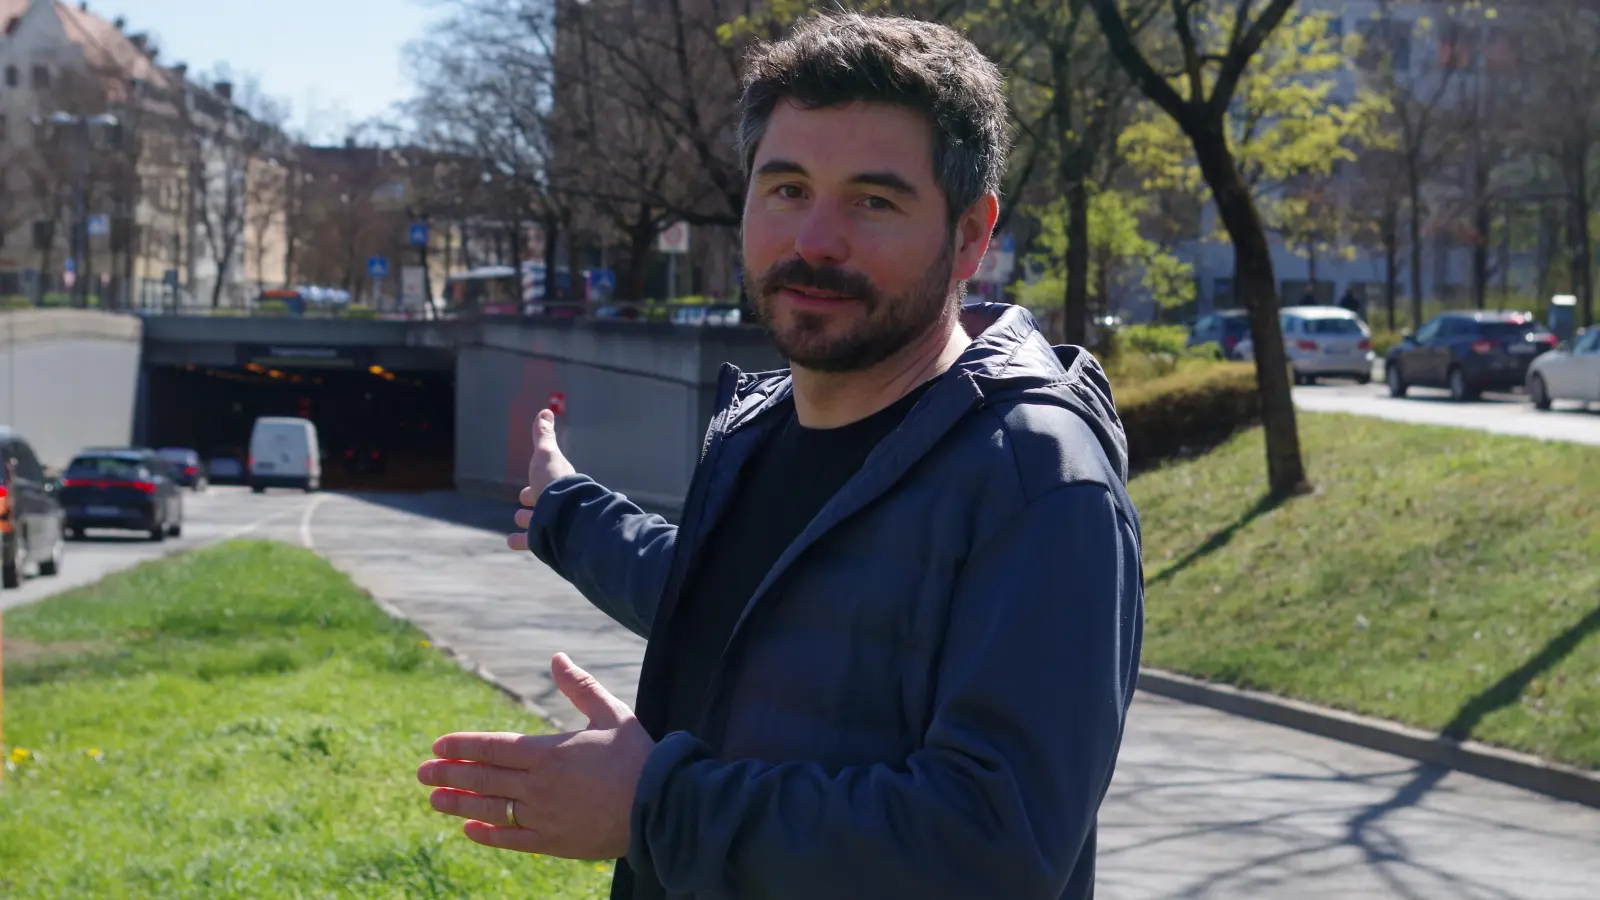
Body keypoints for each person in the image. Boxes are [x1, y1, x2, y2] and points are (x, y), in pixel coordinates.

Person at [417, 13, 1144, 900]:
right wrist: (567, 514)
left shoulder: (1037, 481)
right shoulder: (759, 431)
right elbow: (740, 605)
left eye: (874, 201)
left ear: (969, 235)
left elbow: (991, 848)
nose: (814, 241)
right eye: (788, 188)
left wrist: (652, 806)